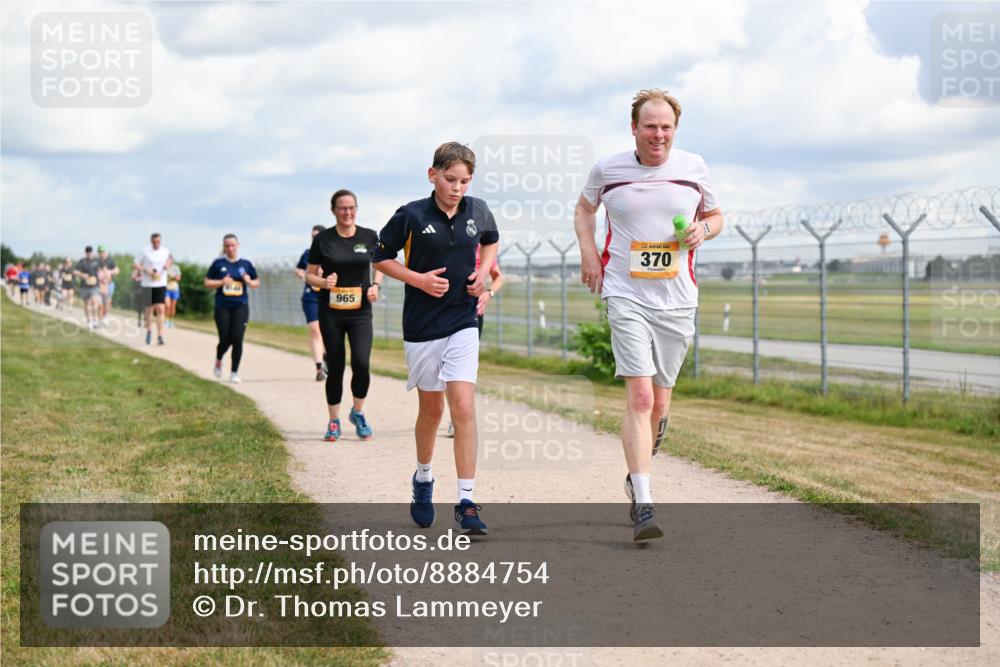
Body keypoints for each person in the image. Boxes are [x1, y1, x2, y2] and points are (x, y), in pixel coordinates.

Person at [575, 88, 723, 541]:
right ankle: (643, 501)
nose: (658, 135)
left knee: (659, 403)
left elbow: (716, 216)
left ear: (674, 130)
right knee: (639, 399)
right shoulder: (608, 169)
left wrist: (703, 229)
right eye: (650, 126)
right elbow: (584, 209)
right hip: (625, 292)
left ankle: (637, 469)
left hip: (677, 298)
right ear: (634, 128)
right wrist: (587, 253)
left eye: (666, 128)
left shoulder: (694, 168)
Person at [372, 142, 499, 536]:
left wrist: (485, 273)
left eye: (463, 181)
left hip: (463, 319)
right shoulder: (411, 215)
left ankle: (466, 501)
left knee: (463, 406)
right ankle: (424, 478)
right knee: (432, 412)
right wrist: (418, 280)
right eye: (449, 179)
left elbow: (491, 241)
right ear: (432, 175)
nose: (457, 187)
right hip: (423, 325)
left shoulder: (477, 210)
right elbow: (378, 255)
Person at [306, 193, 382, 441]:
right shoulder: (324, 240)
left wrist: (376, 286)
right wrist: (324, 282)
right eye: (342, 209)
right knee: (336, 366)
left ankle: (357, 413)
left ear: (356, 209)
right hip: (331, 312)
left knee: (361, 363)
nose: (347, 213)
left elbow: (380, 265)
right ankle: (334, 420)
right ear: (333, 210)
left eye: (351, 208)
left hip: (360, 312)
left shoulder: (369, 236)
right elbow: (309, 275)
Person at [446, 245, 504, 437]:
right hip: (445, 310)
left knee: (465, 367)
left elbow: (498, 277)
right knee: (444, 365)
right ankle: (450, 412)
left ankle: (458, 417)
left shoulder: (481, 248)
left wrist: (489, 293)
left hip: (472, 313)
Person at [205, 234, 260, 383]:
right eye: (227, 246)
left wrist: (249, 281)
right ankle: (219, 358)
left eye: (232, 245)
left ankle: (234, 372)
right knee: (224, 339)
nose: (230, 248)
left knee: (237, 338)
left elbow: (256, 282)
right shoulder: (218, 264)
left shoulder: (246, 264)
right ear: (223, 247)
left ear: (237, 245)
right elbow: (207, 283)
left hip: (240, 305)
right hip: (222, 306)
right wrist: (222, 282)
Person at [295, 225, 328, 381]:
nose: (314, 238)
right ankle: (319, 368)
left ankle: (327, 358)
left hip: (329, 297)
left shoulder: (332, 252)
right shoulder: (307, 254)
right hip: (311, 297)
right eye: (312, 236)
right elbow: (298, 269)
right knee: (315, 330)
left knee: (328, 332)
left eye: (317, 236)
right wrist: (302, 273)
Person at [134, 233, 172, 345]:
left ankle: (160, 335)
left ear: (161, 241)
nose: (156, 244)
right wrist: (146, 270)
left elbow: (170, 260)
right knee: (149, 309)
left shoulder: (165, 251)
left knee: (161, 309)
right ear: (151, 241)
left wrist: (167, 265)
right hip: (148, 284)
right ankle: (149, 331)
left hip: (161, 283)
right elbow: (136, 264)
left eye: (158, 242)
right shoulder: (145, 251)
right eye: (154, 242)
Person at [74, 247, 102, 328]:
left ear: (92, 253)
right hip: (84, 286)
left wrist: (103, 277)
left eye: (91, 252)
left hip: (95, 286)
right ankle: (89, 320)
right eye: (88, 253)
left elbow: (101, 270)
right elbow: (75, 271)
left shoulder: (97, 261)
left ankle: (95, 320)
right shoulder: (82, 262)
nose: (89, 254)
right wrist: (82, 275)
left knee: (94, 302)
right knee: (87, 303)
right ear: (85, 253)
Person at [97, 246, 119, 324]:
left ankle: (106, 316)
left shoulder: (110, 261)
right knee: (100, 304)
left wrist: (109, 272)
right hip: (99, 284)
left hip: (109, 284)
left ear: (105, 252)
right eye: (99, 252)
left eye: (102, 251)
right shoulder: (96, 261)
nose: (101, 253)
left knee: (108, 302)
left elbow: (117, 270)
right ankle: (100, 319)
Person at [164, 257, 181, 328]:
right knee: (167, 305)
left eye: (170, 259)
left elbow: (178, 278)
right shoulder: (164, 267)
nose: (169, 261)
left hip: (175, 289)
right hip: (167, 289)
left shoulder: (176, 267)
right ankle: (166, 321)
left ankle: (171, 321)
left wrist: (171, 276)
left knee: (173, 306)